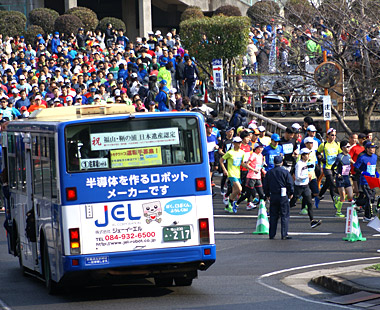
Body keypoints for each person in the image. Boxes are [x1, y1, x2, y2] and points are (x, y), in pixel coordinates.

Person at [290, 148, 322, 228]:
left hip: (306, 186)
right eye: (307, 154)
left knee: (310, 203)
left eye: (308, 154)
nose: (308, 156)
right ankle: (280, 213)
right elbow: (297, 177)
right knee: (292, 202)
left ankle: (312, 221)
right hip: (299, 186)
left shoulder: (305, 163)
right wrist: (306, 176)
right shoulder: (299, 164)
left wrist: (308, 178)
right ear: (303, 155)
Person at [263, 156, 294, 240]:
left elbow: (265, 185)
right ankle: (284, 234)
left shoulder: (269, 172)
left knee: (273, 215)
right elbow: (290, 183)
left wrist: (267, 195)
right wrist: (291, 193)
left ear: (274, 163)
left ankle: (272, 234)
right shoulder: (285, 172)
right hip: (283, 195)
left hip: (273, 195)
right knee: (284, 215)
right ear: (282, 163)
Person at [220, 136, 246, 213]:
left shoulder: (242, 152)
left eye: (240, 142)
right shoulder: (230, 152)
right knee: (239, 189)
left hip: (238, 173)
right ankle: (231, 202)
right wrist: (225, 170)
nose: (239, 144)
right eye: (238, 143)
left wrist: (250, 168)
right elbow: (221, 160)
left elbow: (242, 163)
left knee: (235, 191)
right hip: (231, 173)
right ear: (234, 143)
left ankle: (228, 206)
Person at [354, 141, 378, 222]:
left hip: (372, 180)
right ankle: (367, 216)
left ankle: (357, 202)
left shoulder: (375, 157)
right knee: (368, 198)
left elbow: (374, 167)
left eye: (374, 148)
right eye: (371, 148)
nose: (373, 150)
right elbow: (355, 168)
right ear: (367, 149)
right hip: (364, 181)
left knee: (372, 198)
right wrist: (362, 172)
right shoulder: (362, 157)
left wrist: (377, 173)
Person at [237, 141, 265, 210]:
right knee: (248, 194)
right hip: (251, 177)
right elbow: (247, 164)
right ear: (256, 148)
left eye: (262, 148)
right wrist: (253, 170)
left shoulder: (261, 155)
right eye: (260, 148)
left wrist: (263, 170)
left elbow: (260, 165)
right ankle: (236, 203)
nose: (261, 149)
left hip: (258, 177)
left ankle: (263, 208)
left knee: (261, 194)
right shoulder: (253, 155)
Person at [317, 128, 341, 205]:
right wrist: (321, 158)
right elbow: (317, 153)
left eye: (335, 135)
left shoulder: (337, 144)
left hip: (334, 167)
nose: (333, 137)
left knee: (327, 183)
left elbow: (340, 154)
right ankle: (335, 201)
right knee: (331, 182)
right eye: (332, 135)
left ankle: (319, 196)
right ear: (328, 135)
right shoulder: (324, 144)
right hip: (326, 167)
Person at [331, 140, 355, 217]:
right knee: (343, 196)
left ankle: (337, 199)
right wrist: (337, 174)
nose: (349, 148)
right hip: (340, 179)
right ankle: (338, 212)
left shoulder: (348, 156)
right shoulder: (339, 157)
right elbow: (333, 167)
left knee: (350, 196)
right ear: (342, 148)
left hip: (347, 178)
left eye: (349, 147)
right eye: (347, 147)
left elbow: (351, 164)